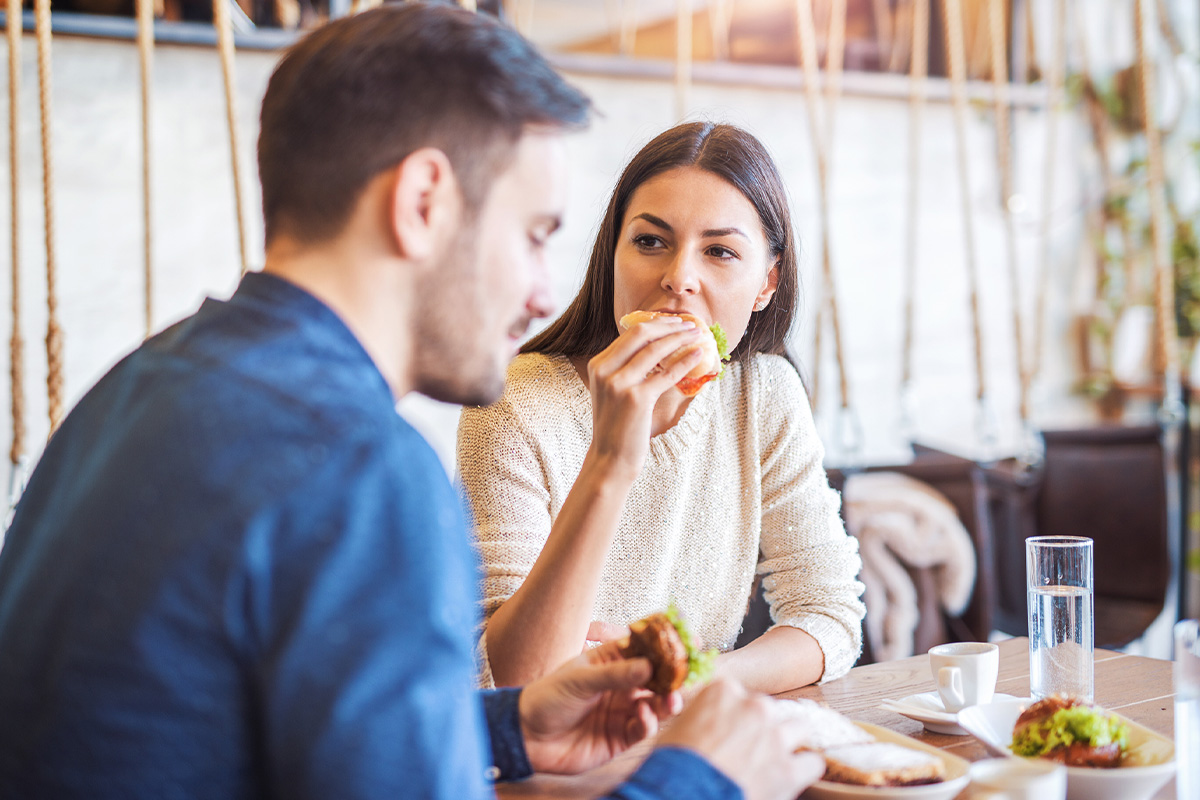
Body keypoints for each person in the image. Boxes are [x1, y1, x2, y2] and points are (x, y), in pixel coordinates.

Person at [0, 5, 827, 800]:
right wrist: (704, 779)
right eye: (533, 235)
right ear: (422, 202)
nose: (544, 294)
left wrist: (505, 729)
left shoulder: (135, 386)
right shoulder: (360, 470)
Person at [459, 122, 866, 695]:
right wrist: (611, 458)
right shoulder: (513, 404)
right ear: (612, 255)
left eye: (720, 251)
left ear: (766, 284)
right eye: (650, 242)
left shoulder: (765, 394)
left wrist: (680, 676)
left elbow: (829, 616)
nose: (678, 279)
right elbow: (515, 679)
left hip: (686, 728)